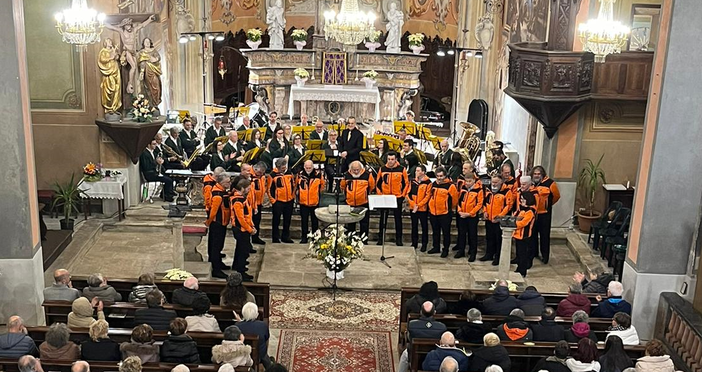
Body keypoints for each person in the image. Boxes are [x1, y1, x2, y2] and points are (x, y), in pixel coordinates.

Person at [398, 301, 447, 372]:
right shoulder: (442, 327)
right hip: (435, 356)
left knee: (405, 355)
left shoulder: (412, 325)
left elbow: (409, 337)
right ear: (434, 313)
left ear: (421, 312)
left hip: (415, 357)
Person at [376, 151, 409, 246]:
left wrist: (402, 195)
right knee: (383, 218)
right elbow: (378, 183)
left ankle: (399, 239)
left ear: (396, 159)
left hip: (397, 197)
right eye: (389, 159)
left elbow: (406, 183)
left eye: (392, 159)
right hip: (385, 197)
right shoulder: (382, 169)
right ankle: (380, 238)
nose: (390, 161)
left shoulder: (401, 169)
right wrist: (380, 194)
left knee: (398, 219)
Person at [530, 166, 560, 263]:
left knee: (544, 235)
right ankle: (534, 253)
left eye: (538, 174)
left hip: (544, 214)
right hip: (533, 213)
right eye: (535, 174)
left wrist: (547, 205)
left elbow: (556, 196)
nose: (536, 175)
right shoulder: (531, 183)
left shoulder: (550, 183)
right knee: (533, 234)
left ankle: (545, 256)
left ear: (542, 174)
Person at [428, 167, 459, 257]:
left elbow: (455, 199)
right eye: (437, 176)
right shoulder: (434, 184)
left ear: (445, 176)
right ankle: (436, 247)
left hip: (445, 213)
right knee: (435, 231)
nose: (439, 178)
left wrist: (449, 208)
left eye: (441, 176)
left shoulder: (450, 186)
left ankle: (445, 249)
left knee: (446, 232)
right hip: (433, 212)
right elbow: (431, 195)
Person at [230, 177, 256, 280]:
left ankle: (237, 265)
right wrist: (250, 229)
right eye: (248, 188)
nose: (249, 190)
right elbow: (240, 219)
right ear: (242, 188)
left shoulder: (242, 199)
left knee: (240, 248)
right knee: (243, 251)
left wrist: (252, 225)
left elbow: (247, 215)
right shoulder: (237, 201)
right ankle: (240, 272)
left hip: (245, 228)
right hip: (241, 229)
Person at [482, 175, 513, 265]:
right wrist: (484, 211)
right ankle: (489, 254)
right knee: (489, 237)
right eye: (492, 182)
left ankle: (498, 257)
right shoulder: (488, 190)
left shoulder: (507, 192)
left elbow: (509, 205)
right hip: (489, 218)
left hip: (499, 219)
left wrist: (500, 216)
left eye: (496, 182)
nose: (494, 184)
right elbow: (485, 202)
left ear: (501, 182)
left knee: (498, 239)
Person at [206, 173, 232, 278]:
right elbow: (213, 211)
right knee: (215, 246)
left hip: (222, 222)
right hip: (217, 223)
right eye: (228, 182)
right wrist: (208, 222)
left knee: (218, 245)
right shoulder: (217, 194)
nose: (229, 183)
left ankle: (217, 263)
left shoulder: (221, 191)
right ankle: (216, 269)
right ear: (221, 183)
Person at [341, 161, 375, 240]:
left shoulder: (367, 175)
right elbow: (343, 186)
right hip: (350, 202)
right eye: (354, 170)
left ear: (361, 168)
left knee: (364, 223)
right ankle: (351, 239)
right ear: (351, 169)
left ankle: (364, 240)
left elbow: (372, 186)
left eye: (357, 170)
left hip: (363, 202)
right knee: (350, 223)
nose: (356, 172)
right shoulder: (346, 175)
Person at [236, 302, 273, 369]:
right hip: (259, 355)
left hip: (242, 354)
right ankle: (270, 367)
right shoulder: (262, 325)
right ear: (256, 314)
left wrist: (240, 322)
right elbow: (267, 338)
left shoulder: (237, 326)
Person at [456, 174, 483, 260]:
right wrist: (459, 211)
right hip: (462, 214)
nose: (467, 183)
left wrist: (470, 213)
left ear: (474, 181)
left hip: (472, 216)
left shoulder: (479, 190)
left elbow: (479, 204)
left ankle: (472, 252)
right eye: (466, 181)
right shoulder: (463, 188)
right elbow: (459, 200)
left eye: (469, 181)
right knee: (461, 233)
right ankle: (461, 250)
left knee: (472, 235)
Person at [297, 160, 324, 243]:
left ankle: (315, 238)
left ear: (313, 167)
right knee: (304, 221)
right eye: (307, 167)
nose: (308, 169)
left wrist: (316, 195)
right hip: (303, 202)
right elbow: (297, 186)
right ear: (304, 167)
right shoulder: (300, 175)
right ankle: (304, 237)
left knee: (314, 221)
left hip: (314, 202)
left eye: (310, 167)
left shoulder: (318, 175)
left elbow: (322, 186)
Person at [269, 158, 295, 243]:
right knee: (276, 220)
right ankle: (275, 237)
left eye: (284, 166)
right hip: (278, 201)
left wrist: (293, 196)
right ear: (277, 166)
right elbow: (269, 189)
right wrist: (273, 201)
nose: (283, 168)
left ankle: (285, 237)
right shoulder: (272, 175)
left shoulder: (289, 173)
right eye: (281, 166)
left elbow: (293, 185)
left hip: (289, 201)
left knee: (287, 220)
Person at [409, 165, 432, 252]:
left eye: (418, 170)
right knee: (414, 226)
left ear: (423, 172)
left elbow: (427, 196)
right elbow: (408, 194)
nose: (416, 172)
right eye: (416, 170)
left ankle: (424, 244)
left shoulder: (428, 182)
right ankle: (414, 243)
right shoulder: (412, 181)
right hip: (413, 207)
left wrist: (418, 205)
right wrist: (413, 204)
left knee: (424, 226)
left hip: (422, 208)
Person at [514, 192, 537, 277]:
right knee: (519, 253)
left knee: (523, 254)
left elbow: (524, 223)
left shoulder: (530, 211)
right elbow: (515, 215)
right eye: (521, 199)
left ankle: (522, 271)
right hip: (517, 235)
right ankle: (519, 268)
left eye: (523, 199)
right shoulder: (521, 208)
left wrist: (514, 224)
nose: (521, 201)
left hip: (524, 235)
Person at [250, 162, 268, 245]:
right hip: (251, 204)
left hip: (259, 203)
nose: (261, 174)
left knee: (257, 222)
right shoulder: (250, 177)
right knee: (251, 222)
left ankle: (255, 237)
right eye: (260, 172)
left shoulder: (261, 177)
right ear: (255, 169)